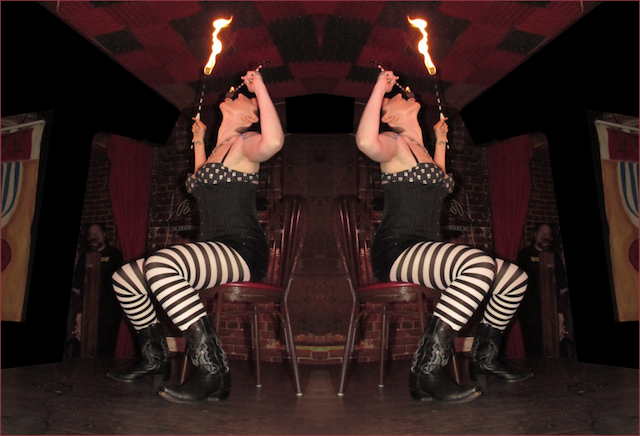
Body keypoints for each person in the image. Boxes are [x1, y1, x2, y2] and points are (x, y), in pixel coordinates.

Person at [106, 70, 284, 404]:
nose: (236, 93)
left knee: (160, 266)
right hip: (213, 248)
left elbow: (273, 142)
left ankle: (213, 370)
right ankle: (155, 359)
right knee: (124, 279)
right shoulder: (219, 149)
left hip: (242, 250)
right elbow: (201, 183)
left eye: (244, 98)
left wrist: (259, 87)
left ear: (251, 116)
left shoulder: (247, 142)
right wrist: (200, 141)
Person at [355, 70, 533, 404]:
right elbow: (365, 142)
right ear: (388, 116)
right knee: (478, 266)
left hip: (426, 248)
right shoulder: (393, 142)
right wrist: (380, 87)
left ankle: (484, 359)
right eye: (395, 98)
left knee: (515, 278)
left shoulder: (419, 148)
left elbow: (438, 183)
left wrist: (438, 141)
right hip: (397, 250)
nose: (403, 93)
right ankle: (426, 369)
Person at [67, 223, 124, 358]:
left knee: (105, 351)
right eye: (91, 234)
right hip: (87, 311)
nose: (94, 235)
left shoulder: (115, 255)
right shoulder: (84, 257)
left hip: (108, 312)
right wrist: (77, 313)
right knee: (81, 349)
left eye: (97, 232)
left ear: (104, 234)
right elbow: (76, 287)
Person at [516, 223, 572, 358]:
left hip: (552, 310)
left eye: (548, 233)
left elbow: (563, 287)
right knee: (534, 350)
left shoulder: (555, 257)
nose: (544, 235)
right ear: (535, 234)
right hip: (531, 311)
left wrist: (562, 312)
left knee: (557, 348)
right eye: (541, 232)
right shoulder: (524, 255)